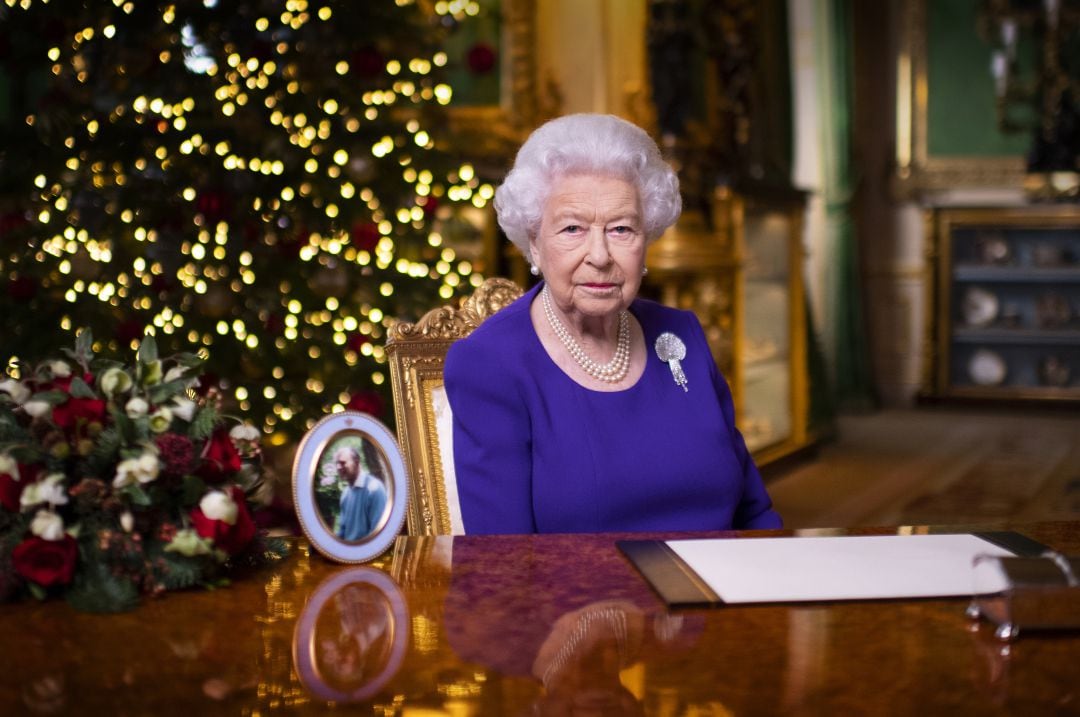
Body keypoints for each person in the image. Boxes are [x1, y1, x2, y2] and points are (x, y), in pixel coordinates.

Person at [443, 113, 781, 534]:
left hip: (720, 591)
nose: (600, 255)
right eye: (572, 228)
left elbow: (755, 513)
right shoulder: (490, 364)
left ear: (647, 240)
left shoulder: (682, 335)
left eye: (621, 229)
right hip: (583, 600)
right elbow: (504, 565)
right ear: (534, 241)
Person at [335, 445, 388, 541]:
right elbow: (343, 531)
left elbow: (379, 535)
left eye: (343, 463)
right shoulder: (346, 494)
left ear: (356, 462)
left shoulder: (374, 489)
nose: (338, 467)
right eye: (337, 463)